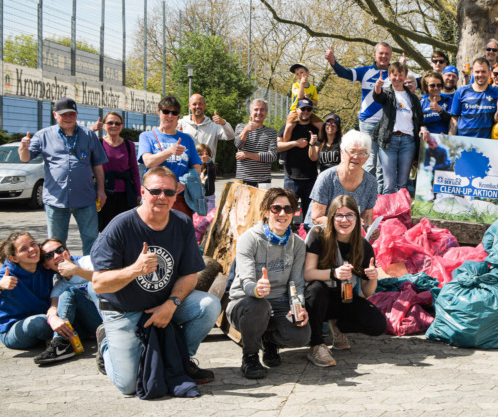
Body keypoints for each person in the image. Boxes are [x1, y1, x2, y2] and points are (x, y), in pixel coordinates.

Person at [91, 167, 221, 395]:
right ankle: (105, 343)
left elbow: (190, 274)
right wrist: (134, 270)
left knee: (209, 306)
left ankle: (180, 360)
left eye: (169, 192)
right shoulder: (120, 226)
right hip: (123, 309)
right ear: (142, 192)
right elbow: (99, 283)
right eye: (156, 191)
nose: (163, 197)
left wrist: (171, 305)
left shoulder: (181, 222)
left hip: (162, 304)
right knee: (129, 385)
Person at [226, 188, 311, 379]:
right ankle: (250, 356)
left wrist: (299, 306)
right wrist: (257, 288)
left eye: (288, 209)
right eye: (276, 208)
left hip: (278, 303)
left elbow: (296, 282)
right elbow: (246, 282)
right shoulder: (250, 239)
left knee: (301, 335)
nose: (283, 214)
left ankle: (268, 340)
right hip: (246, 303)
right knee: (258, 305)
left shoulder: (297, 244)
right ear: (266, 211)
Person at [302, 195, 386, 367]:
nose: (344, 220)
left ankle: (339, 326)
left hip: (344, 298)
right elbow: (308, 274)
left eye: (349, 215)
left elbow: (367, 291)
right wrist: (334, 273)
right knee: (317, 290)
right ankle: (316, 344)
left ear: (357, 218)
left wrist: (373, 277)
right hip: (316, 299)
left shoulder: (363, 245)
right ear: (331, 217)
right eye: (339, 215)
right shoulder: (318, 235)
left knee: (378, 325)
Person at [18, 96, 107, 251]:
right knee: (55, 245)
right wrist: (23, 148)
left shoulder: (89, 135)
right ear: (55, 114)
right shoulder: (43, 135)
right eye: (64, 114)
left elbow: (98, 166)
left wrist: (101, 190)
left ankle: (90, 274)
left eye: (71, 114)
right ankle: (58, 275)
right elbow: (25, 159)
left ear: (77, 115)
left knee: (91, 240)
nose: (68, 118)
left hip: (85, 199)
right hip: (56, 200)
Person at [0, 233, 54, 358]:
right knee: (39, 322)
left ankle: (56, 336)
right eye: (24, 249)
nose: (32, 250)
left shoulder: (44, 265)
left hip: (48, 319)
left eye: (33, 244)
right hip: (14, 331)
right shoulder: (7, 276)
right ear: (14, 258)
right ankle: (60, 339)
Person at [325, 42, 391, 191]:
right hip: (368, 123)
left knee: (383, 164)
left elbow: (416, 83)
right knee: (369, 161)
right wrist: (333, 62)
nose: (384, 56)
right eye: (381, 53)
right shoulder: (365, 71)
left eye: (387, 53)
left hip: (387, 124)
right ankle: (364, 194)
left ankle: (379, 199)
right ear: (375, 54)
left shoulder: (394, 74)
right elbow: (346, 73)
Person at [38, 237, 102, 364]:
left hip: (109, 317)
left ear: (67, 252)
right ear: (46, 265)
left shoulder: (88, 261)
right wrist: (52, 319)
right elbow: (53, 307)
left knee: (91, 286)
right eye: (49, 255)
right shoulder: (59, 285)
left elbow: (107, 279)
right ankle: (61, 343)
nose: (56, 256)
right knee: (67, 293)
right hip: (92, 324)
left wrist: (76, 270)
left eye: (59, 250)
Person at [139, 96, 204, 217]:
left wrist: (184, 183)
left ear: (178, 116)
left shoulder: (187, 139)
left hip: (180, 199)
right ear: (158, 111)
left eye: (174, 113)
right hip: (155, 197)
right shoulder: (147, 136)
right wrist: (169, 151)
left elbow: (197, 167)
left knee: (179, 234)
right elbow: (148, 162)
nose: (170, 116)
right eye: (166, 112)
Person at [308, 130, 379, 229]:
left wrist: (370, 229)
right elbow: (317, 218)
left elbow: (367, 216)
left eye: (361, 153)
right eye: (352, 151)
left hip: (350, 232)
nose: (356, 156)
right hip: (323, 232)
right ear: (342, 153)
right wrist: (346, 223)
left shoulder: (371, 182)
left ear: (367, 157)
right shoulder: (326, 178)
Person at [373, 61, 424, 194]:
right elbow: (378, 97)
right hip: (389, 141)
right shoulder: (387, 93)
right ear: (389, 76)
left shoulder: (413, 98)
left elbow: (419, 119)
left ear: (405, 76)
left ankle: (400, 214)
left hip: (408, 142)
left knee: (402, 185)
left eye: (400, 75)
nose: (397, 78)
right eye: (394, 74)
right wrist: (377, 88)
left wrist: (423, 128)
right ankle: (387, 214)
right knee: (389, 184)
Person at [277, 97, 322, 219]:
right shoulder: (288, 125)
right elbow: (277, 146)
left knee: (310, 215)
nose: (306, 111)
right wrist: (295, 143)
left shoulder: (316, 128)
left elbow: (320, 149)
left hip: (311, 178)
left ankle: (308, 236)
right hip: (291, 177)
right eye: (303, 108)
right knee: (287, 213)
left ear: (312, 111)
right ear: (297, 109)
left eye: (309, 109)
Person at [98, 111, 141, 231]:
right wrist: (93, 129)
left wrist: (138, 193)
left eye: (117, 123)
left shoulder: (129, 145)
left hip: (126, 194)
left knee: (126, 227)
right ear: (104, 125)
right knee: (105, 227)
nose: (114, 126)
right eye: (110, 123)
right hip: (105, 192)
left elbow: (135, 171)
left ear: (121, 126)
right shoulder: (98, 143)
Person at [449, 57, 498, 139]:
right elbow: (454, 118)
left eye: (483, 71)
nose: (480, 75)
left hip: (487, 143)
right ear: (472, 72)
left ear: (489, 72)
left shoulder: (497, 93)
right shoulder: (460, 92)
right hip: (464, 141)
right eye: (477, 72)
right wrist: (450, 139)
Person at [234, 99, 278, 187]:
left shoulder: (271, 132)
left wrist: (247, 154)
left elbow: (272, 156)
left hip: (263, 181)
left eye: (262, 109)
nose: (259, 112)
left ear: (266, 113)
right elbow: (238, 145)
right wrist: (246, 130)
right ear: (250, 112)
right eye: (256, 109)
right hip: (243, 179)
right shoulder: (240, 127)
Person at [420, 72, 452, 136]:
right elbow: (418, 123)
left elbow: (453, 120)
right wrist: (422, 128)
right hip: (428, 141)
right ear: (426, 87)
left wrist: (440, 110)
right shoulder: (422, 103)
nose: (436, 88)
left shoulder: (448, 100)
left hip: (445, 140)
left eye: (439, 85)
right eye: (432, 85)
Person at [196, 144, 217, 213]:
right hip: (196, 200)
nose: (203, 156)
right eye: (200, 154)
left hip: (208, 200)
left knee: (207, 221)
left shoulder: (210, 168)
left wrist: (208, 161)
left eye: (206, 154)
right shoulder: (193, 168)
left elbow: (211, 167)